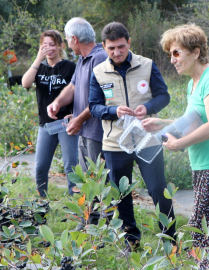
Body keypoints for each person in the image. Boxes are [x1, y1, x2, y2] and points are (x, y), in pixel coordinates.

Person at [142, 23, 209, 270]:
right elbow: (197, 121)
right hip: (205, 165)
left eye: (176, 53)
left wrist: (179, 144)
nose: (172, 60)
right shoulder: (194, 83)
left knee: (208, 231)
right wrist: (163, 123)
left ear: (196, 52)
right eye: (170, 54)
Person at [88, 22, 175, 252]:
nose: (116, 52)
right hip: (115, 143)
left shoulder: (146, 65)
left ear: (129, 43)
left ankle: (170, 239)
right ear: (104, 48)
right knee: (121, 195)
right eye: (111, 48)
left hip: (148, 139)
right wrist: (113, 111)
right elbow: (94, 107)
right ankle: (131, 240)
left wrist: (147, 107)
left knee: (158, 189)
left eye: (121, 47)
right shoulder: (98, 72)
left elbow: (163, 96)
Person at [46, 18, 109, 228]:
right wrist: (57, 103)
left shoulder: (99, 58)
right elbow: (73, 87)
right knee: (87, 181)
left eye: (67, 39)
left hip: (98, 132)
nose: (67, 43)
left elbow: (104, 100)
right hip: (84, 130)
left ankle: (107, 228)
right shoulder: (82, 59)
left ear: (74, 38)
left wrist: (80, 117)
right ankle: (89, 223)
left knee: (101, 181)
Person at [21, 30, 78, 197]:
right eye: (45, 45)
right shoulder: (39, 67)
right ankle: (41, 203)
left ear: (60, 46)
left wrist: (76, 114)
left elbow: (79, 92)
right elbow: (25, 83)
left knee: (70, 166)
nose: (48, 48)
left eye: (52, 44)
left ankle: (76, 205)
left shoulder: (70, 67)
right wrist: (38, 59)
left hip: (66, 124)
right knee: (40, 167)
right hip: (46, 125)